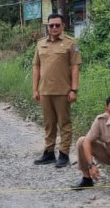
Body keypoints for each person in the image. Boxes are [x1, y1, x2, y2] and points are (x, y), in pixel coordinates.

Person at [32, 13, 81, 168]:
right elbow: (36, 67)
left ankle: (64, 154)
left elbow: (75, 67)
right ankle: (48, 152)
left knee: (64, 123)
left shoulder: (71, 43)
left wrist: (74, 89)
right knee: (49, 123)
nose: (54, 28)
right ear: (48, 26)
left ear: (63, 26)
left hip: (63, 91)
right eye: (51, 25)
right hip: (45, 90)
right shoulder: (40, 44)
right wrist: (35, 89)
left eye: (57, 25)